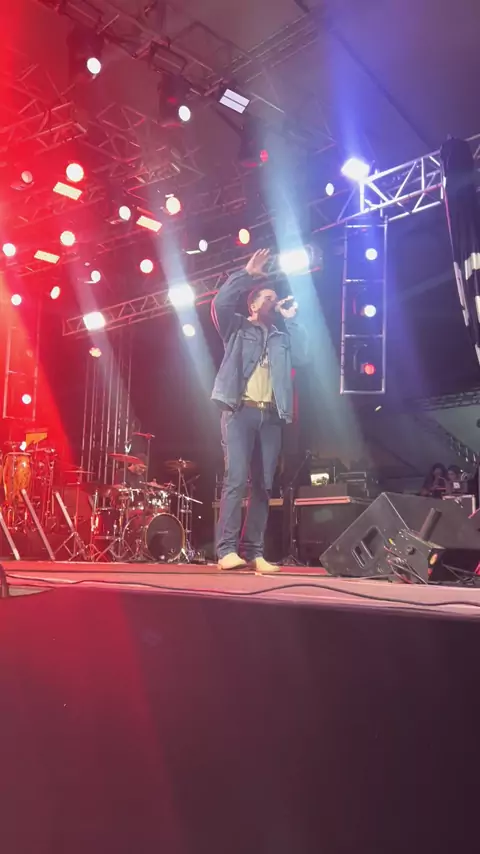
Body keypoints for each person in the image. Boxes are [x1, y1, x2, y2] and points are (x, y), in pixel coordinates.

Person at [211, 248, 309, 572]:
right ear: (252, 304)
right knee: (236, 479)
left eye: (275, 299)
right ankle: (226, 550)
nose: (273, 302)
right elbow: (220, 303)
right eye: (267, 298)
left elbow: (303, 356)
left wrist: (292, 320)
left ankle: (254, 552)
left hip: (271, 416)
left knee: (264, 486)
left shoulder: (281, 337)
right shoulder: (237, 328)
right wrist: (248, 274)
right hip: (240, 411)